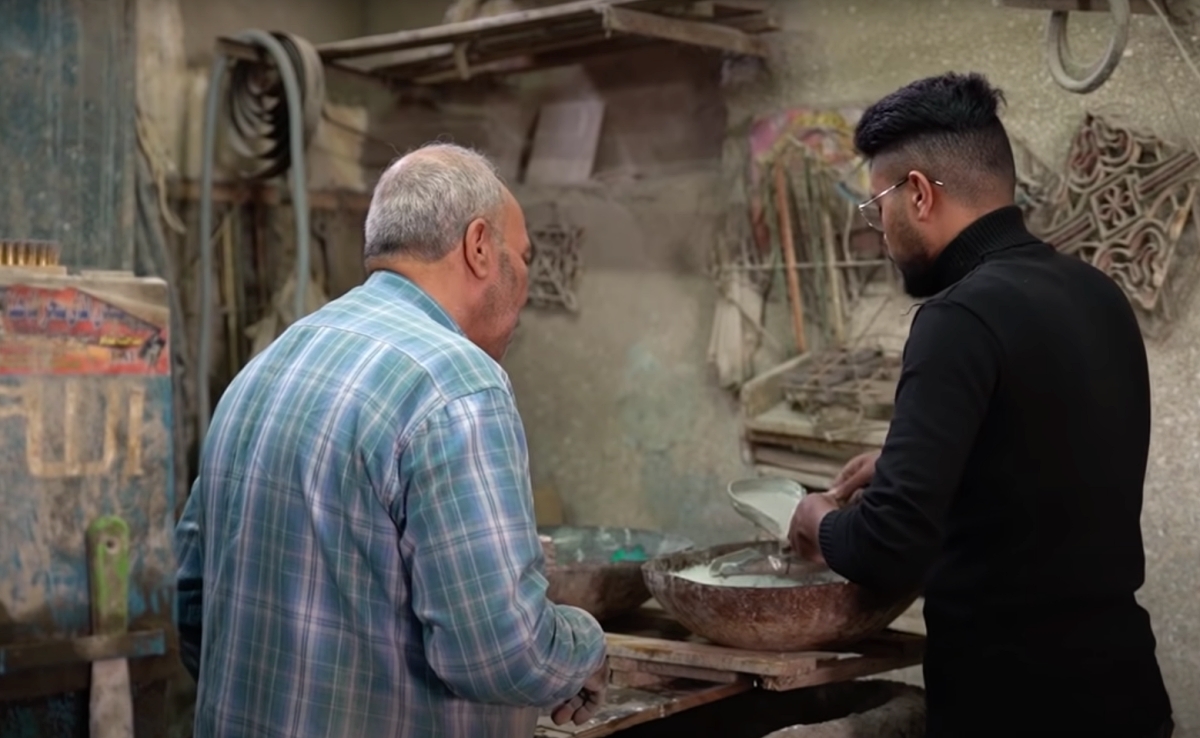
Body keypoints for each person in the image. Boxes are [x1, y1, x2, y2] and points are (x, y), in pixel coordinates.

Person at [175, 143, 608, 738]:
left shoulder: (268, 365)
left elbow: (193, 604)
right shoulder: (457, 384)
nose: (526, 285)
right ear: (480, 247)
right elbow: (502, 654)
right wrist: (584, 647)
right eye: (523, 256)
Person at [787, 73, 1173, 738]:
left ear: (918, 193)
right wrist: (914, 464)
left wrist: (814, 517)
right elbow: (1045, 460)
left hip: (1015, 707)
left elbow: (886, 546)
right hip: (1125, 694)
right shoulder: (1095, 294)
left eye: (876, 204)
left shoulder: (958, 318)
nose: (878, 228)